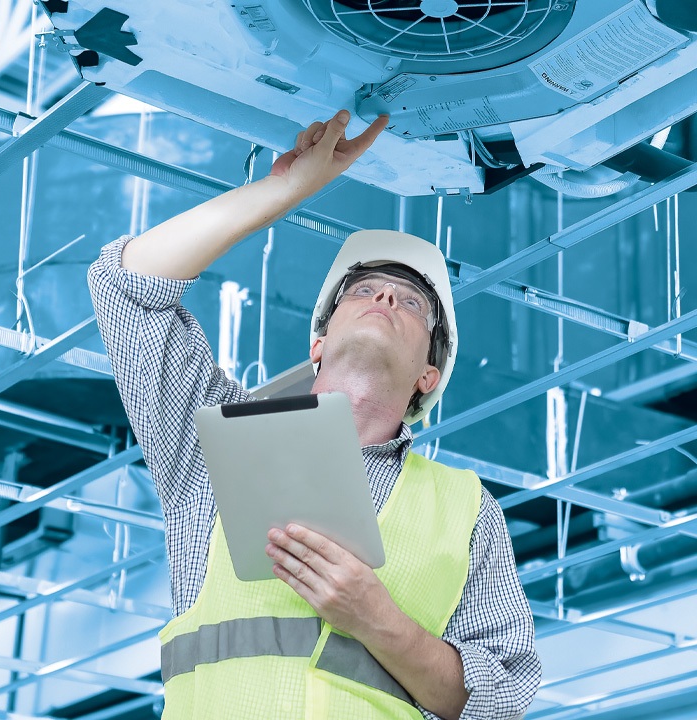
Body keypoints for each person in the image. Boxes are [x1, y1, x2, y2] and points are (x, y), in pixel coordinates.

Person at [88, 109, 540, 719]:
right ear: (319, 344)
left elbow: (504, 698)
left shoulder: (466, 510)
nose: (385, 297)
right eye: (364, 290)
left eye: (412, 303)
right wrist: (283, 191)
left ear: (426, 378)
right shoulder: (213, 443)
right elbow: (125, 285)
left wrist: (381, 623)